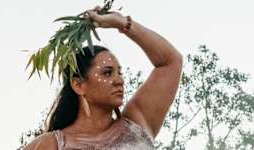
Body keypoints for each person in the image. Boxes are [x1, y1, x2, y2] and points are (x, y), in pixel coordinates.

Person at [24, 5, 183, 150]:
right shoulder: (51, 144)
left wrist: (122, 24)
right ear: (78, 85)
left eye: (119, 73)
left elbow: (171, 62)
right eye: (107, 73)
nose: (119, 80)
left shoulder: (137, 124)